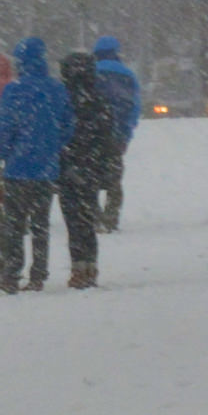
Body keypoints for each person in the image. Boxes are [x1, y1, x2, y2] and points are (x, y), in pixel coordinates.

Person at [0, 37, 73, 292]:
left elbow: (4, 127)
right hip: (46, 169)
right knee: (40, 225)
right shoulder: (56, 88)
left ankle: (11, 274)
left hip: (17, 168)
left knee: (14, 225)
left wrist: (7, 152)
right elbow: (68, 124)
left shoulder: (13, 89)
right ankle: (38, 274)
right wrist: (53, 146)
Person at [58, 52, 118, 288]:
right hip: (91, 167)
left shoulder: (62, 99)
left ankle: (77, 268)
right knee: (87, 219)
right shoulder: (99, 99)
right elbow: (107, 137)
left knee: (72, 221)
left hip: (67, 166)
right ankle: (90, 267)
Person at [92, 36, 141, 231]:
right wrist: (127, 130)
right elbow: (134, 106)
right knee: (114, 177)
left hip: (94, 133)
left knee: (92, 175)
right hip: (117, 133)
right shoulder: (127, 75)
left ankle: (94, 215)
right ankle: (111, 217)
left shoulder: (91, 72)